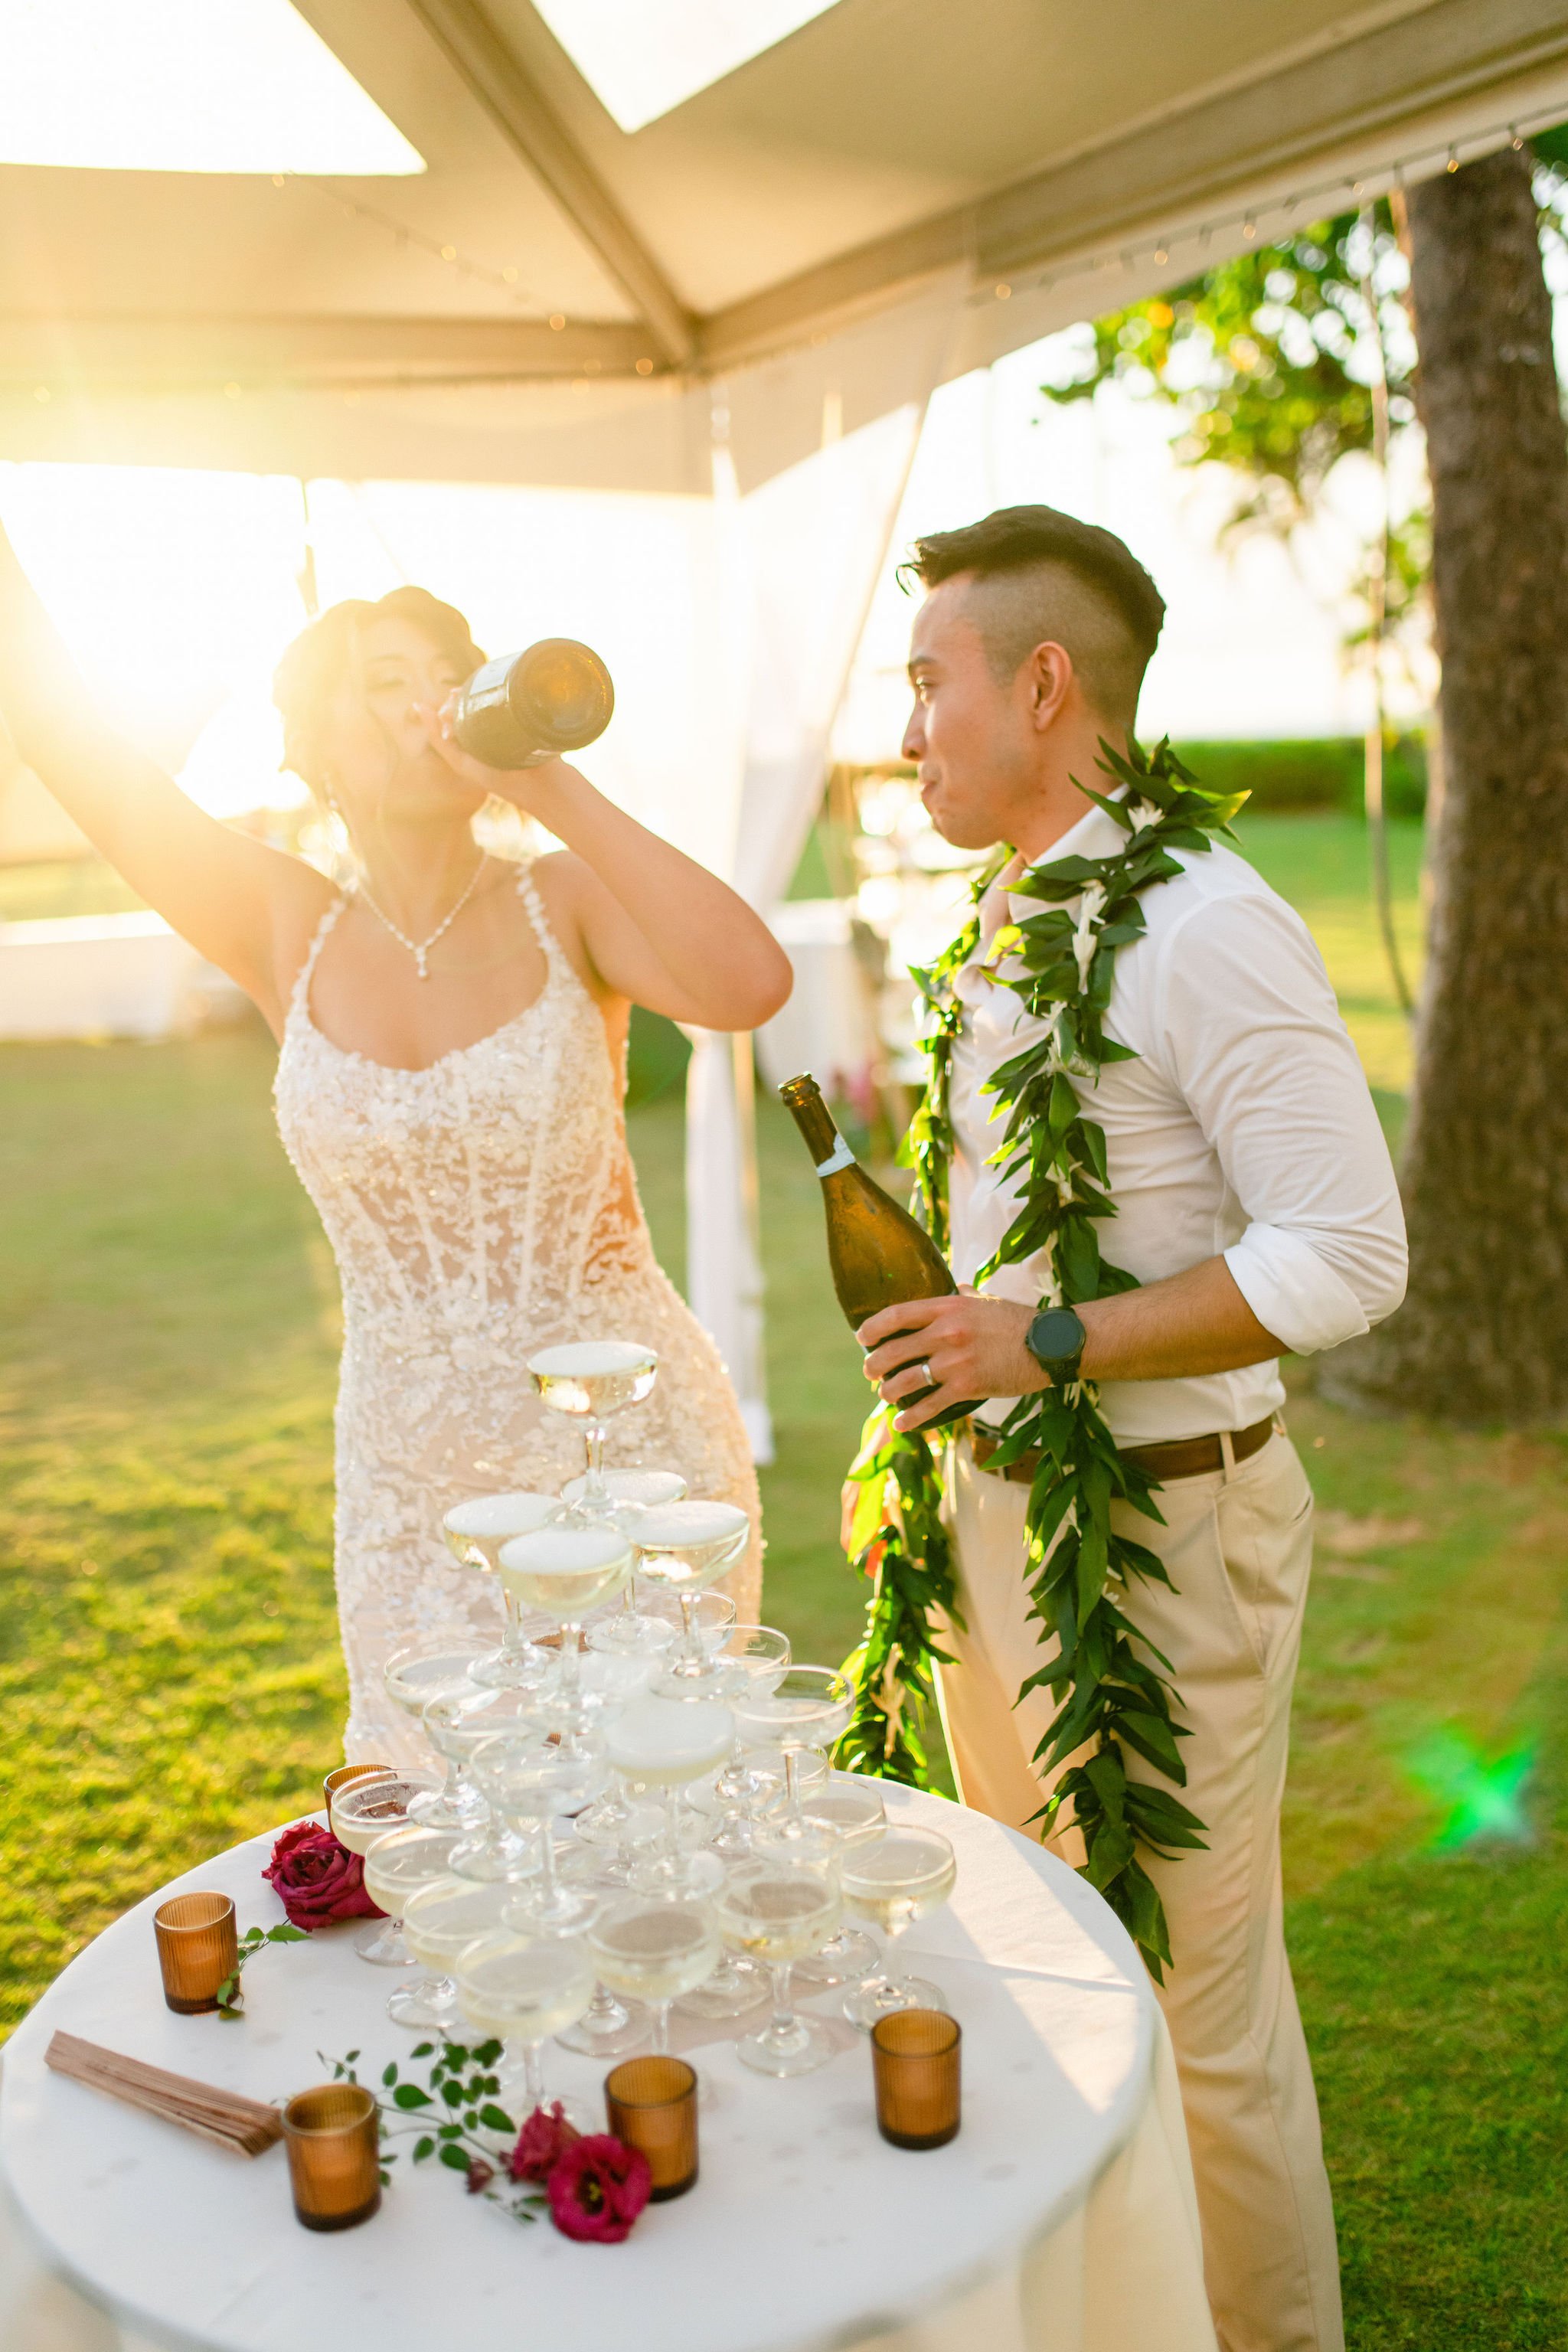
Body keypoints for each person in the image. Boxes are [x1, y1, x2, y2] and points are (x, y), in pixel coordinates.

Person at [856, 507, 1407, 2352]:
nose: (905, 722)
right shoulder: (1009, 908)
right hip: (998, 1536)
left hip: (1166, 1543)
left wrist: (1051, 1339)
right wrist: (942, 1406)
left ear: (1042, 681)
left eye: (928, 680)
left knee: (1192, 2017)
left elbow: (1349, 1251)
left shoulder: (1204, 920)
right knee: (1037, 1970)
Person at [0, 532, 791, 1761]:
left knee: (657, 1817)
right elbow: (72, 748)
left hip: (624, 1454)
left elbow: (749, 983)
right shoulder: (282, 923)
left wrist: (549, 785)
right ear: (314, 744)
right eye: (383, 678)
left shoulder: (564, 900)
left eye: (445, 673)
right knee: (459, 1836)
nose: (426, 700)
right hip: (411, 1487)